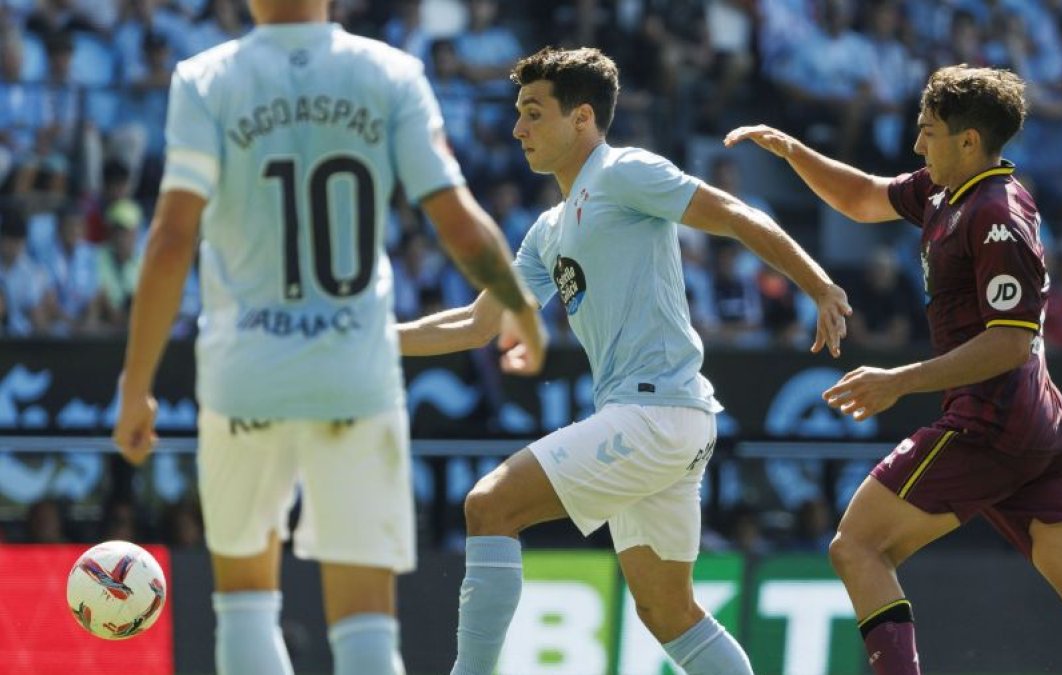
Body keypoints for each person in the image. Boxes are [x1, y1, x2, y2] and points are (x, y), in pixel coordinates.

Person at [110, 2, 547, 675]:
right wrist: (517, 304)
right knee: (368, 628)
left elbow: (170, 240)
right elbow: (457, 221)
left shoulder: (205, 79)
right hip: (355, 375)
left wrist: (136, 386)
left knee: (247, 606)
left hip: (244, 372)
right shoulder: (391, 72)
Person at [726, 64, 1062, 675]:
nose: (918, 144)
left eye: (928, 131)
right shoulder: (945, 190)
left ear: (969, 140)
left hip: (991, 423)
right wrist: (791, 149)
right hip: (1039, 432)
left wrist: (898, 381)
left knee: (858, 547)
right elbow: (863, 197)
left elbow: (1009, 343)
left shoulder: (997, 215)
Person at [396, 46, 852, 675]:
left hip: (655, 414)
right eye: (517, 113)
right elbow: (478, 323)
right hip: (666, 421)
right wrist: (378, 339)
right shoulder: (549, 228)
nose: (516, 129)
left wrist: (820, 285)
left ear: (582, 118)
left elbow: (738, 216)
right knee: (669, 614)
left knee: (488, 506)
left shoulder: (623, 171)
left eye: (533, 113)